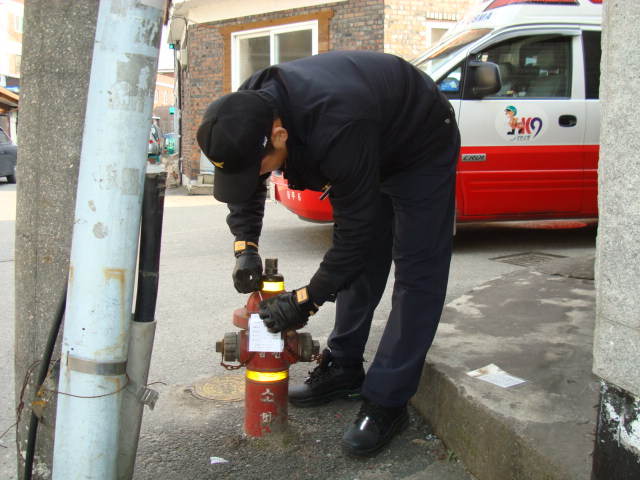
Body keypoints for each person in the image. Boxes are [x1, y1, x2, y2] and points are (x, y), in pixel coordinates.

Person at [196, 50, 460, 457]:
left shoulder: (337, 129)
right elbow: (247, 176)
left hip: (418, 142)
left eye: (259, 166)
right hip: (366, 132)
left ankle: (388, 400)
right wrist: (245, 245)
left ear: (280, 135)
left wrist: (305, 301)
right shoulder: (244, 109)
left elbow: (354, 238)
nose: (258, 175)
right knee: (362, 262)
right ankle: (344, 367)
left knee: (417, 272)